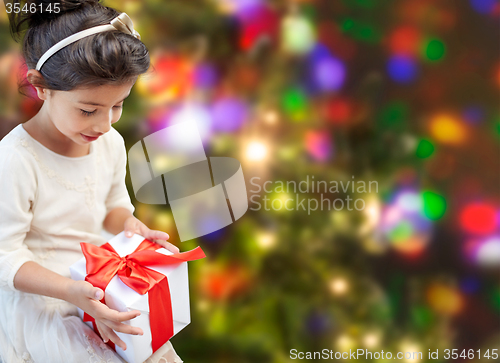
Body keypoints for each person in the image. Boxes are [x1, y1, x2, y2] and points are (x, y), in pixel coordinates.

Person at [0, 1, 183, 362]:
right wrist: (72, 291)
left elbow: (111, 209)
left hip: (101, 285)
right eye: (88, 110)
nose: (105, 124)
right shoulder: (15, 160)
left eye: (119, 105)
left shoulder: (109, 143)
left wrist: (133, 228)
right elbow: (5, 256)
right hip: (47, 297)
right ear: (41, 87)